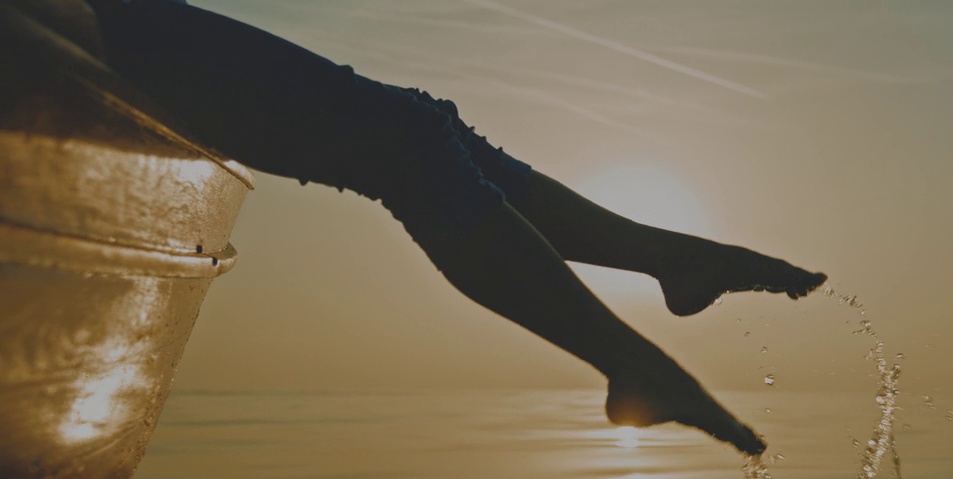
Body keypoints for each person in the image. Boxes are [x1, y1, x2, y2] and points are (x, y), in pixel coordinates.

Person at [84, 0, 827, 455]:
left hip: (104, 18)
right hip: (81, 24)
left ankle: (673, 264)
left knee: (425, 125)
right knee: (403, 138)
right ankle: (635, 365)